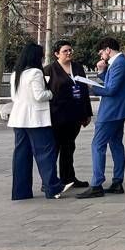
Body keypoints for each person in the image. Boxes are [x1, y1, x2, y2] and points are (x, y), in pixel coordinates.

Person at [77, 36, 125, 199]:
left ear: (108, 50)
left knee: (97, 145)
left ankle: (97, 184)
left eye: (101, 52)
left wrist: (90, 86)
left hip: (111, 111)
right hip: (119, 110)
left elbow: (110, 90)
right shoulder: (122, 62)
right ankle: (117, 182)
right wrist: (102, 72)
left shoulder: (119, 64)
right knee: (116, 144)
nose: (101, 55)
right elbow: (112, 83)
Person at [7, 42, 64, 200]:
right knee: (46, 153)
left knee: (21, 156)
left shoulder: (16, 74)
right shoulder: (36, 73)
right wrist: (52, 93)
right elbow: (39, 96)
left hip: (19, 119)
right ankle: (52, 187)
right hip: (36, 119)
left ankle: (20, 192)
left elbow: (14, 97)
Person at [45, 40, 92, 193]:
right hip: (57, 115)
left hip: (75, 115)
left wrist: (87, 113)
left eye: (70, 50)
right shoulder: (49, 70)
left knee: (69, 147)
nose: (69, 53)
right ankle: (50, 181)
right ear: (56, 54)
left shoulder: (77, 67)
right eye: (65, 51)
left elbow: (84, 90)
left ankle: (69, 178)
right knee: (55, 148)